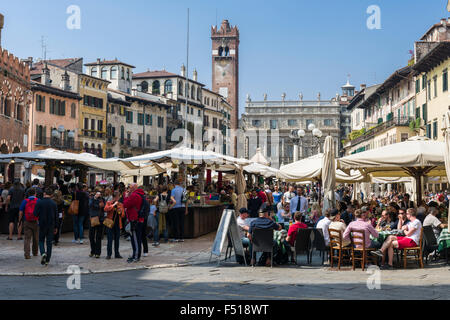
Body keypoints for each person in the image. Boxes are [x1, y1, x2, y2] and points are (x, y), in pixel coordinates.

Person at [33, 187, 58, 266]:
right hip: (51, 225)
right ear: (51, 195)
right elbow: (56, 216)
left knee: (41, 240)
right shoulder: (54, 203)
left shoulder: (39, 202)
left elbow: (35, 214)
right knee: (49, 242)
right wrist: (56, 227)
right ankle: (47, 260)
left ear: (44, 193)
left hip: (42, 224)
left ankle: (43, 253)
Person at [123, 183, 145, 263]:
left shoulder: (134, 195)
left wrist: (126, 197)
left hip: (134, 219)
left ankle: (136, 256)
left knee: (135, 239)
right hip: (138, 219)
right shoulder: (140, 194)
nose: (129, 189)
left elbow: (125, 204)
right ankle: (135, 255)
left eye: (130, 187)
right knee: (137, 238)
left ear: (133, 188)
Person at [19, 188, 39, 259]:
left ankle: (27, 254)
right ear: (35, 193)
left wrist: (19, 221)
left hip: (27, 221)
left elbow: (21, 212)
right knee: (36, 238)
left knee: (27, 238)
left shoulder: (25, 201)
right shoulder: (38, 200)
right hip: (36, 221)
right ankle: (35, 252)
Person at [104, 190, 124, 259]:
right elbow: (106, 209)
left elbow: (123, 215)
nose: (117, 198)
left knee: (117, 239)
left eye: (118, 197)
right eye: (116, 197)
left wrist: (120, 212)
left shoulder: (120, 204)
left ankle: (117, 253)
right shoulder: (109, 203)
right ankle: (109, 254)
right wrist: (113, 205)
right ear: (113, 197)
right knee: (109, 239)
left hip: (118, 224)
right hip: (110, 223)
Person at [88, 191, 105, 258]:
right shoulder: (92, 199)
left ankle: (98, 252)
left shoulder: (102, 199)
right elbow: (90, 205)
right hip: (93, 219)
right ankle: (93, 250)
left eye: (99, 194)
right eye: (97, 194)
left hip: (100, 219)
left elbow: (103, 207)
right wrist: (95, 199)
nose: (98, 195)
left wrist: (97, 206)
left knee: (98, 237)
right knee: (91, 236)